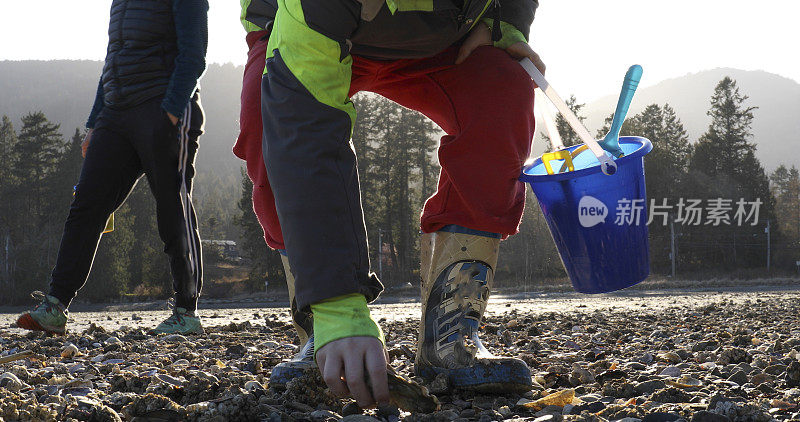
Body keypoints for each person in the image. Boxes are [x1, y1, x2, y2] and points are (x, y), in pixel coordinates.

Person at [240, 0, 548, 408]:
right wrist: (338, 308)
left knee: (502, 91)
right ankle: (320, 327)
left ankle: (450, 335)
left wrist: (503, 23)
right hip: (306, 21)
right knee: (267, 124)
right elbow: (301, 133)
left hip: (445, 39)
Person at [16, 0, 209, 336]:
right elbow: (112, 61)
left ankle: (186, 311)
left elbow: (194, 53)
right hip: (116, 113)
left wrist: (171, 111)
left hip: (162, 104)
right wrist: (94, 123)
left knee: (171, 206)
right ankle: (55, 305)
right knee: (87, 204)